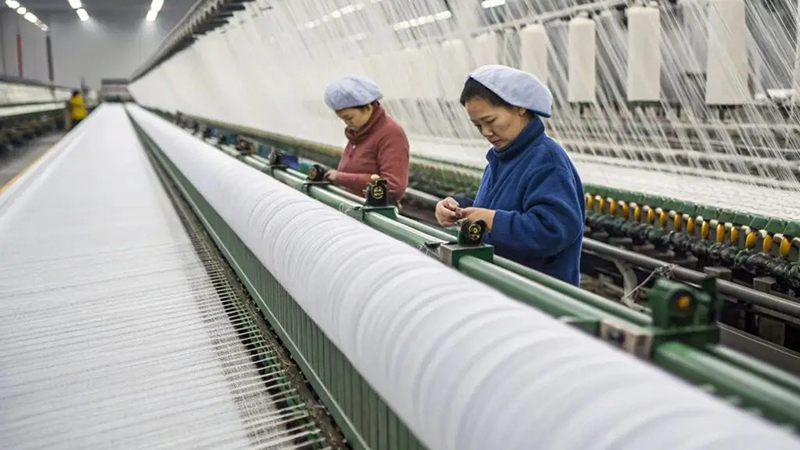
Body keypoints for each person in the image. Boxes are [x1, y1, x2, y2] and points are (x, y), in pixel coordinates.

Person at [435, 65, 585, 286]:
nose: (486, 132)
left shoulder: (546, 161)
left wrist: (493, 221)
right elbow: (498, 204)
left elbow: (554, 230)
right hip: (507, 289)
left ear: (520, 108)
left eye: (491, 121)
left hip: (538, 297)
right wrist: (458, 207)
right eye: (478, 126)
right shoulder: (504, 156)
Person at [323, 75, 410, 203]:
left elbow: (393, 187)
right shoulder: (359, 131)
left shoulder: (390, 134)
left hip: (373, 214)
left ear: (368, 107)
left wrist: (341, 178)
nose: (347, 123)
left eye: (349, 117)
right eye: (343, 119)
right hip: (353, 206)